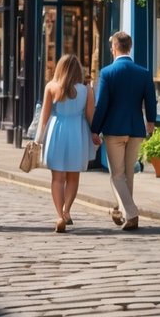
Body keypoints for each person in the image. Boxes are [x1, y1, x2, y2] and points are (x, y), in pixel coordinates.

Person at [89, 31, 156, 231]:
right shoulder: (143, 72)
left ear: (115, 48)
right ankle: (124, 212)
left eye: (112, 47)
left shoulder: (107, 72)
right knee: (128, 174)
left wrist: (95, 129)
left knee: (117, 175)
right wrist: (150, 121)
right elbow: (150, 100)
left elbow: (102, 105)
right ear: (130, 47)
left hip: (114, 130)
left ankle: (132, 213)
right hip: (136, 128)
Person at [37, 54, 95, 233]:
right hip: (77, 133)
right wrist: (95, 133)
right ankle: (67, 210)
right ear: (79, 71)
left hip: (57, 131)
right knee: (73, 177)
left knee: (57, 178)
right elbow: (90, 117)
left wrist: (38, 140)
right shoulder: (87, 90)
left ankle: (59, 216)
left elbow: (44, 118)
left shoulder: (52, 87)